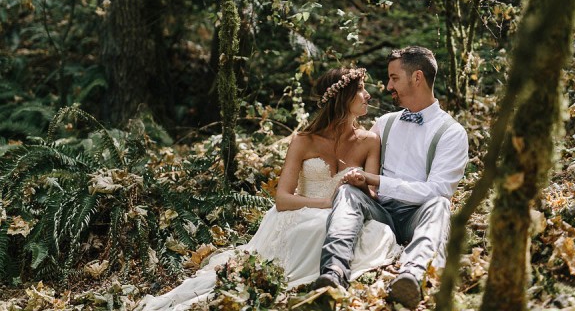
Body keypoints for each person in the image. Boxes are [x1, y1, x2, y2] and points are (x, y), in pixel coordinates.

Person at [137, 67, 400, 311]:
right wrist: (326, 204)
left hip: (348, 216)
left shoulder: (369, 141)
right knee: (315, 227)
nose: (367, 95)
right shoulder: (303, 140)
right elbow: (283, 199)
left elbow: (371, 198)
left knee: (377, 234)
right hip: (304, 210)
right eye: (361, 89)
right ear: (342, 97)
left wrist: (361, 184)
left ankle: (330, 277)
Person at [315, 47, 469, 310]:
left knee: (440, 205)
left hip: (416, 215)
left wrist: (377, 181)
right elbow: (354, 156)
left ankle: (412, 276)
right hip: (379, 210)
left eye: (394, 78)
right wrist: (358, 179)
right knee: (346, 193)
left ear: (417, 77)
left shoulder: (451, 133)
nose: (388, 86)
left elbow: (438, 190)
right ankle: (333, 274)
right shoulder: (385, 122)